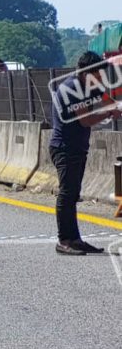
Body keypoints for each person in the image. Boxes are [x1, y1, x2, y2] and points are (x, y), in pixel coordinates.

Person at [50, 52, 117, 255]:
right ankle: (64, 240)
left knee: (73, 195)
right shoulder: (71, 89)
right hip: (65, 147)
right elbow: (85, 120)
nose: (98, 79)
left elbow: (97, 105)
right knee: (67, 194)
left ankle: (75, 239)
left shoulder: (83, 87)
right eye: (97, 75)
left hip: (77, 147)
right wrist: (109, 113)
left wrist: (109, 106)